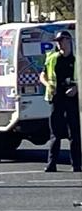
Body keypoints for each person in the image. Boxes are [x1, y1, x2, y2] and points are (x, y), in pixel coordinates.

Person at [40, 30, 81, 173]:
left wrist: (77, 88)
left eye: (62, 40)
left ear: (69, 41)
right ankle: (51, 164)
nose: (59, 43)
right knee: (55, 134)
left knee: (74, 133)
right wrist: (48, 85)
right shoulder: (52, 58)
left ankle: (76, 164)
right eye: (58, 41)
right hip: (56, 98)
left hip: (72, 98)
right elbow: (43, 75)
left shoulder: (77, 59)